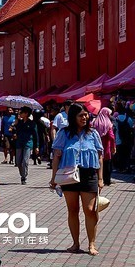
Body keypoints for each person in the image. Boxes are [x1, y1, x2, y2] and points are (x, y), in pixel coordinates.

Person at [48, 101, 104, 256]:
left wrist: (100, 179)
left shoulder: (93, 133)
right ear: (73, 117)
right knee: (73, 210)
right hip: (69, 175)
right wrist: (53, 178)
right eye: (81, 115)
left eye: (86, 114)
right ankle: (75, 243)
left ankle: (91, 244)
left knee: (90, 210)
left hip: (89, 175)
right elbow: (56, 157)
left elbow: (100, 157)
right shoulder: (64, 133)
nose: (84, 118)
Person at [12, 106, 39, 184]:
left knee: (25, 161)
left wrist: (36, 146)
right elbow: (13, 131)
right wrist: (14, 126)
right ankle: (22, 174)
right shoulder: (19, 123)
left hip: (28, 143)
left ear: (26, 113)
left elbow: (35, 135)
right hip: (19, 143)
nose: (20, 114)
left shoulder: (32, 123)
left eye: (21, 112)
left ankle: (24, 177)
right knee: (18, 161)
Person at [94, 105, 115, 187]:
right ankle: (107, 180)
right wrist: (113, 147)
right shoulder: (108, 124)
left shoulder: (95, 122)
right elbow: (111, 136)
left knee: (98, 163)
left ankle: (99, 178)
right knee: (107, 164)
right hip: (106, 146)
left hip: (96, 146)